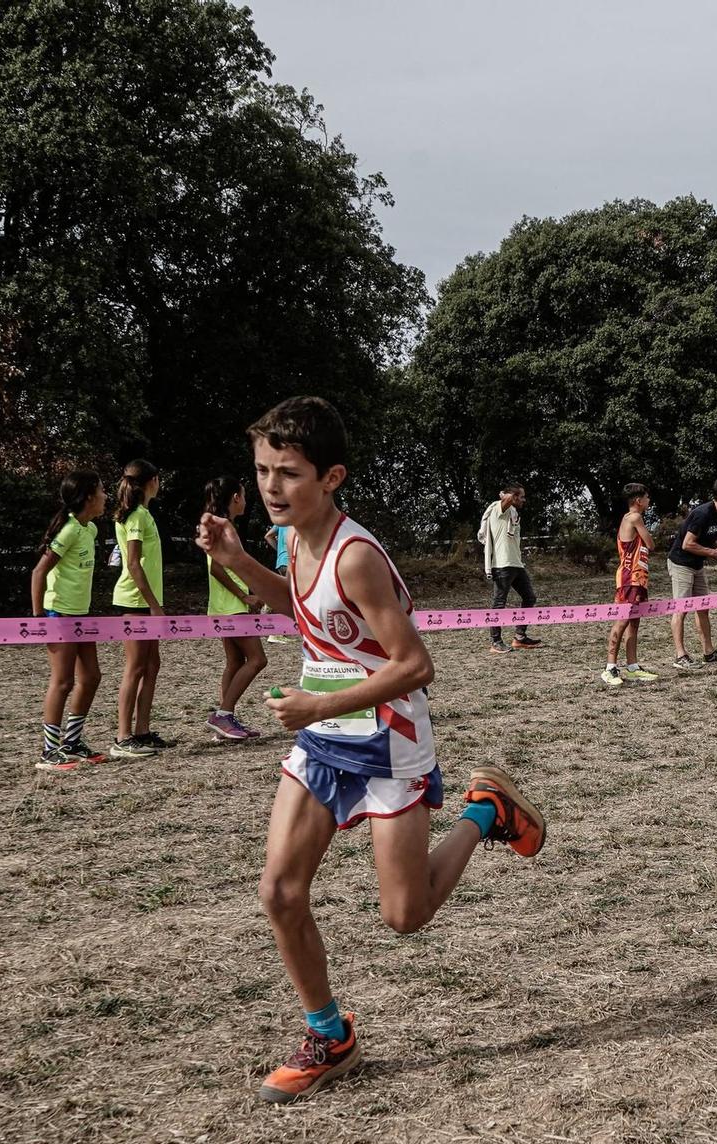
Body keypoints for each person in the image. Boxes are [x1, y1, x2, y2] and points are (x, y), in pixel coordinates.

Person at [195, 396, 546, 1105]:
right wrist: (235, 560)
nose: (270, 486)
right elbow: (301, 609)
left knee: (404, 916)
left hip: (387, 737)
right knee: (279, 889)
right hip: (324, 738)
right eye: (262, 469)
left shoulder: (357, 556)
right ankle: (330, 1037)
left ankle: (484, 809)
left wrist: (319, 702)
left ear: (332, 477)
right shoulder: (292, 538)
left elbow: (415, 665)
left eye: (288, 473)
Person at [29, 470, 107, 771]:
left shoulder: (90, 530)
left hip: (81, 615)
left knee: (91, 677)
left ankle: (72, 743)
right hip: (59, 615)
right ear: (88, 496)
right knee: (63, 682)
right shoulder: (70, 530)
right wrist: (39, 619)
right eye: (101, 490)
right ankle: (49, 751)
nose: (105, 496)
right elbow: (39, 572)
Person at [202, 476, 268, 741]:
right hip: (232, 606)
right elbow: (216, 567)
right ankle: (223, 714)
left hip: (224, 605)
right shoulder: (223, 525)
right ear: (235, 498)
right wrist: (245, 595)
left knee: (235, 662)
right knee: (257, 660)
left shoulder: (214, 523)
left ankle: (224, 721)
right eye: (244, 494)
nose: (246, 500)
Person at [110, 459, 166, 760]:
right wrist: (155, 607)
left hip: (147, 602)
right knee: (134, 668)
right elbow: (132, 563)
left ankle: (142, 731)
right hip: (135, 602)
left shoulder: (143, 514)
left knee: (152, 665)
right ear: (153, 481)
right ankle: (122, 737)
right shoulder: (136, 516)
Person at [668, 476, 717, 668]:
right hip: (681, 564)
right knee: (682, 609)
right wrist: (716, 553)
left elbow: (708, 539)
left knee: (703, 608)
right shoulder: (703, 513)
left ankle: (709, 652)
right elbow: (688, 544)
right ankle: (681, 656)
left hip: (697, 565)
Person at [602, 484, 660, 686]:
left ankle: (633, 666)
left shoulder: (631, 518)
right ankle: (610, 668)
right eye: (646, 497)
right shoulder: (634, 518)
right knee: (622, 621)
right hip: (630, 578)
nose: (649, 501)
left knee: (634, 623)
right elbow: (651, 544)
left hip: (639, 578)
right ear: (638, 500)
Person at [478, 485, 540, 653]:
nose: (524, 500)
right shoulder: (500, 510)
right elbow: (505, 500)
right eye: (521, 496)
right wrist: (508, 495)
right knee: (499, 603)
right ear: (513, 496)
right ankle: (495, 642)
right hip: (502, 565)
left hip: (516, 564)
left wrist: (511, 497)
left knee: (530, 597)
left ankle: (519, 637)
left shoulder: (512, 513)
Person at [266, 523, 294, 643]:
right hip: (290, 562)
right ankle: (274, 633)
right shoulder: (298, 519)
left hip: (281, 561)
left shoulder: (282, 522)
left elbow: (268, 536)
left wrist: (279, 550)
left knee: (287, 595)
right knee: (287, 597)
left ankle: (279, 631)